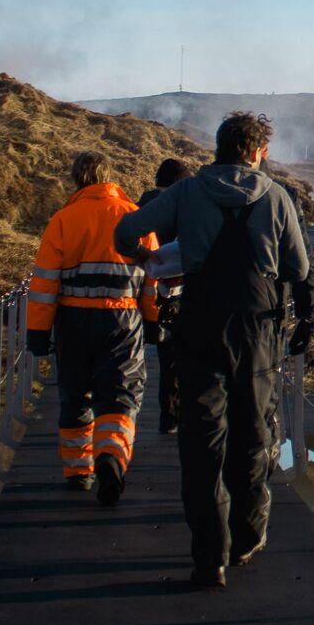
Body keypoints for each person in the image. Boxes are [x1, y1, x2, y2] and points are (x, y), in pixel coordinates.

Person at [119, 111, 314, 589]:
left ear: (220, 146)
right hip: (258, 327)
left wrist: (149, 258)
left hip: (200, 323)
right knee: (251, 432)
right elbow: (299, 267)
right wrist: (305, 322)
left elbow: (125, 233)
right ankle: (248, 537)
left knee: (202, 438)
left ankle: (211, 556)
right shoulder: (277, 196)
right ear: (257, 151)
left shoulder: (185, 192)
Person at [25, 151, 158, 506]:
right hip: (123, 320)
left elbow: (44, 282)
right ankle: (111, 457)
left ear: (76, 179)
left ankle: (78, 471)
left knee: (75, 393)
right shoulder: (135, 217)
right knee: (121, 394)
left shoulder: (63, 220)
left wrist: (37, 332)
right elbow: (153, 277)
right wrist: (154, 320)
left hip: (72, 320)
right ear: (110, 178)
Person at [139, 158, 194, 435]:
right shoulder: (179, 207)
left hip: (136, 296)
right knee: (174, 358)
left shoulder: (139, 206)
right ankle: (172, 416)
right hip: (175, 293)